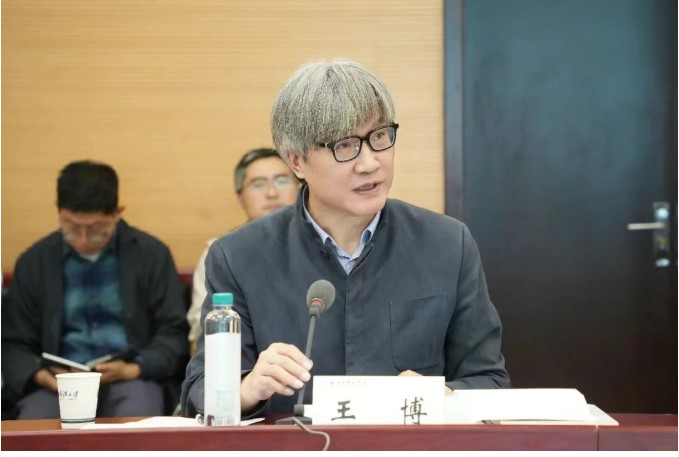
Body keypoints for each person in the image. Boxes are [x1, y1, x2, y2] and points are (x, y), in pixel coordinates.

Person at [181, 58, 510, 418]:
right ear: (297, 161)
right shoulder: (239, 256)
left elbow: (489, 380)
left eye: (379, 137)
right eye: (345, 145)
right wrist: (247, 388)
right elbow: (199, 391)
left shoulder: (447, 244)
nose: (369, 163)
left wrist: (441, 395)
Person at [2, 160, 189, 419]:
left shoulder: (151, 255)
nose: (82, 240)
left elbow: (174, 333)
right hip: (55, 385)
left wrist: (133, 368)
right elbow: (13, 342)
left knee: (138, 420)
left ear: (117, 213)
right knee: (35, 423)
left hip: (131, 379)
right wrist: (41, 376)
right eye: (71, 228)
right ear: (58, 211)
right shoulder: (34, 262)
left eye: (96, 230)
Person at [186, 148, 299, 353]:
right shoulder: (220, 253)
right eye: (258, 184)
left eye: (282, 181)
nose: (272, 193)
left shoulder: (323, 244)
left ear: (299, 186)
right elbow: (202, 334)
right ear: (240, 197)